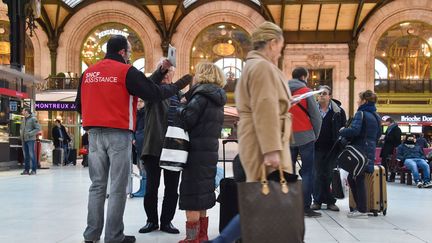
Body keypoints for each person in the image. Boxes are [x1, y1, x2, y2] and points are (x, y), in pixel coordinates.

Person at [75, 35, 191, 243]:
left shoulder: (88, 72)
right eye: (129, 52)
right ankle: (113, 236)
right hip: (118, 134)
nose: (129, 56)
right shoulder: (126, 71)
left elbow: (78, 105)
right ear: (122, 52)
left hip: (94, 135)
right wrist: (180, 84)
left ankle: (91, 235)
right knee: (118, 187)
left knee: (97, 186)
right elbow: (152, 92)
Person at [233, 21, 294, 241]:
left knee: (264, 199)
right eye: (280, 46)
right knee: (266, 198)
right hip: (264, 143)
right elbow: (265, 106)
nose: (280, 51)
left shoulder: (255, 65)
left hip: (258, 137)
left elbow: (266, 103)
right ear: (272, 43)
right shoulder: (262, 67)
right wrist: (271, 150)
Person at [178, 62, 226, 243]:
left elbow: (188, 120)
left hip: (195, 153)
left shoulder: (200, 96)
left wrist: (181, 107)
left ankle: (191, 239)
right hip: (209, 153)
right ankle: (202, 236)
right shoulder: (217, 98)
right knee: (203, 196)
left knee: (192, 197)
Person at [139, 66, 189, 234]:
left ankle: (167, 221)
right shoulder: (152, 93)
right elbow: (148, 83)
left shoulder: (180, 96)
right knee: (151, 188)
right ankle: (151, 221)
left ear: (173, 74)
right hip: (154, 147)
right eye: (164, 72)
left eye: (169, 72)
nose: (167, 75)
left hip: (174, 149)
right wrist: (161, 69)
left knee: (172, 188)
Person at [339, 90, 381, 218]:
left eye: (359, 99)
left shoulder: (361, 113)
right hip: (369, 150)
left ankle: (361, 210)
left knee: (356, 178)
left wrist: (342, 130)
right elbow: (378, 135)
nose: (358, 101)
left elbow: (354, 131)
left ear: (365, 101)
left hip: (359, 150)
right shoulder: (376, 116)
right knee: (356, 177)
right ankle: (360, 208)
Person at [288, 67, 322, 217]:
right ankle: (305, 207)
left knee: (288, 172)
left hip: (287, 137)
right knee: (307, 172)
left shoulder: (281, 90)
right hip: (306, 136)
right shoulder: (306, 91)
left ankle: (288, 206)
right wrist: (315, 135)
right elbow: (316, 116)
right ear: (303, 77)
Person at [311, 85, 346, 212]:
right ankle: (317, 201)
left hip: (333, 148)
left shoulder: (339, 111)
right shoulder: (312, 109)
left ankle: (331, 201)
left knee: (331, 175)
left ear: (329, 96)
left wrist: (341, 143)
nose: (321, 96)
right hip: (316, 147)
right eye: (319, 94)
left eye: (324, 93)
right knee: (317, 175)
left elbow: (343, 129)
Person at [20, 108, 41, 175]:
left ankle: (34, 170)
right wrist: (21, 135)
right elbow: (21, 128)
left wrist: (30, 133)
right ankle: (26, 170)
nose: (22, 112)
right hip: (24, 139)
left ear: (26, 112)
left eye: (23, 111)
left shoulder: (33, 119)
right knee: (26, 155)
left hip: (30, 140)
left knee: (32, 155)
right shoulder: (23, 119)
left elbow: (38, 128)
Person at [380, 117, 401, 182]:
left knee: (392, 163)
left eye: (386, 122)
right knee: (385, 163)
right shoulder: (389, 129)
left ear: (389, 122)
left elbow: (396, 139)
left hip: (392, 149)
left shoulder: (396, 129)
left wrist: (385, 138)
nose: (385, 123)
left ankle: (391, 177)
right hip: (387, 148)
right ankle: (384, 177)